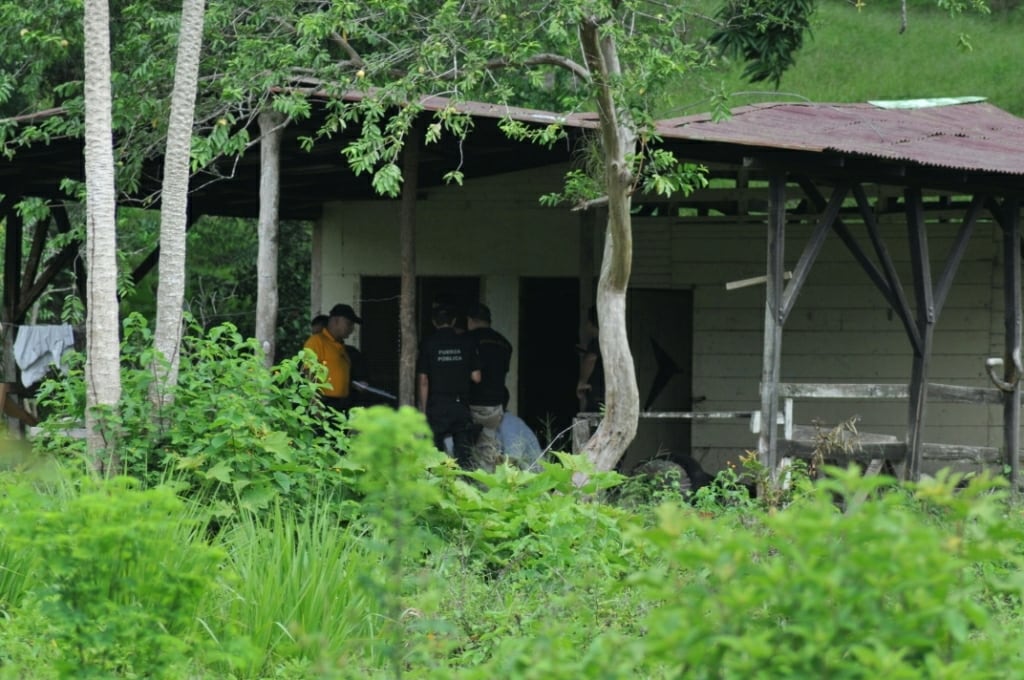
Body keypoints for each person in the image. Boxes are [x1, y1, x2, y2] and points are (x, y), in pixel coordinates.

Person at [417, 304, 481, 468]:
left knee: (433, 454)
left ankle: (436, 487)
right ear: (453, 321)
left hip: (436, 405)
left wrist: (423, 410)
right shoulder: (466, 342)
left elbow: (423, 380)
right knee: (463, 454)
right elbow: (476, 377)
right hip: (460, 405)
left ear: (433, 322)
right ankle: (465, 485)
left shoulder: (428, 343)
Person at [466, 302, 512, 471]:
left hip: (471, 402)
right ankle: (486, 487)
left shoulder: (468, 340)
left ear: (470, 320)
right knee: (487, 449)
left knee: (463, 449)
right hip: (495, 405)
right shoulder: (505, 344)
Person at [303, 303, 361, 413]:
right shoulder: (316, 341)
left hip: (342, 404)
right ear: (335, 321)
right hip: (324, 403)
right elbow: (308, 373)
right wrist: (316, 404)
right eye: (349, 324)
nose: (352, 329)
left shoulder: (341, 346)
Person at [576, 305, 604, 412]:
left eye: (587, 322)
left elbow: (590, 360)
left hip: (597, 393)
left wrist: (582, 382)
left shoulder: (596, 342)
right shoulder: (609, 342)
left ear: (592, 324)